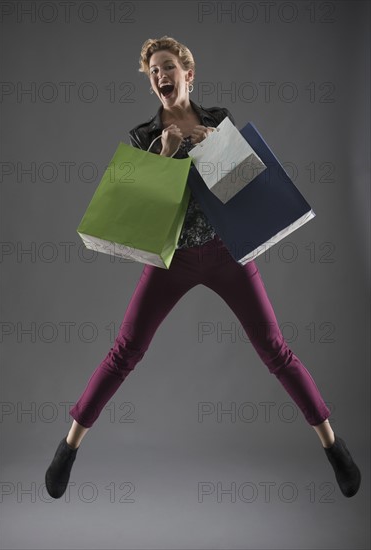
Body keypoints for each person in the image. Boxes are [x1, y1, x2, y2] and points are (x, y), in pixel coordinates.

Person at [45, 36, 361, 500]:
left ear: (188, 75)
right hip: (171, 260)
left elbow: (246, 195)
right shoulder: (142, 137)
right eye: (153, 71)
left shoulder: (219, 121)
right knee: (124, 352)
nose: (160, 76)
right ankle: (67, 449)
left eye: (167, 66)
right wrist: (164, 154)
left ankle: (334, 447)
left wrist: (218, 150)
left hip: (228, 255)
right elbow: (132, 212)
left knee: (276, 350)